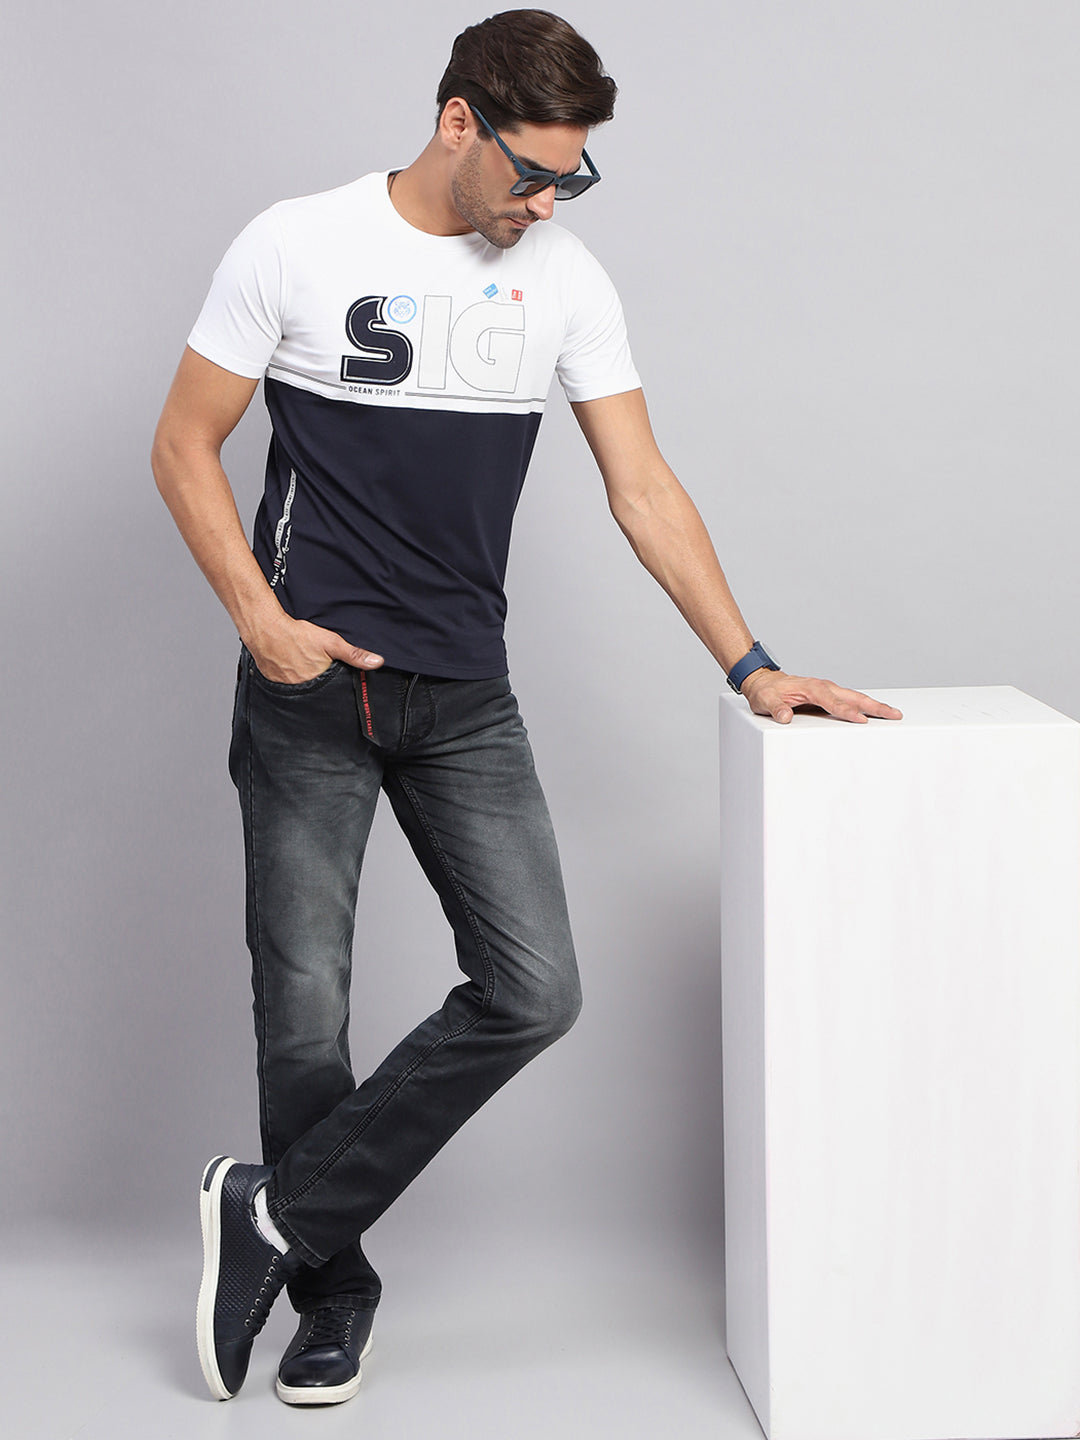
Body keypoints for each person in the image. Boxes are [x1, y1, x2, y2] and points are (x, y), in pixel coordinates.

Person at [152, 7, 902, 1409]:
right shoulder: (295, 244)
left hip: (465, 700)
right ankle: (333, 1293)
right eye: (534, 172)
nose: (549, 201)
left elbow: (643, 487)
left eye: (574, 178)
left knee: (535, 988)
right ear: (458, 122)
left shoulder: (564, 280)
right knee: (304, 1016)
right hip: (309, 692)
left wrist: (752, 664)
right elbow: (184, 443)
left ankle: (274, 1212)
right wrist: (259, 620)